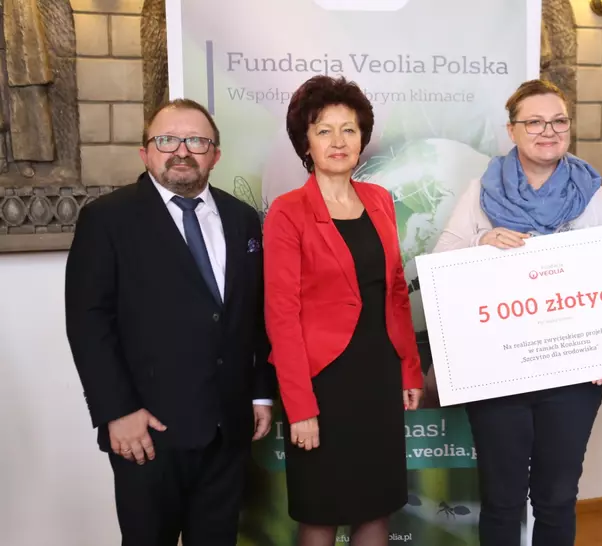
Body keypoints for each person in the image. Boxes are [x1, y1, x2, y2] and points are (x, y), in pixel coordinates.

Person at [64, 98, 275, 546]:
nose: (182, 150)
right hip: (147, 429)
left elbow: (254, 313)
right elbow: (88, 322)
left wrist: (260, 392)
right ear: (145, 153)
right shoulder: (107, 219)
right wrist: (117, 411)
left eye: (196, 141)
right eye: (167, 140)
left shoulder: (242, 218)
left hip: (227, 427)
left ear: (215, 154)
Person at [432, 79, 602, 546]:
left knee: (557, 498)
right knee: (502, 498)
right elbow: (440, 264)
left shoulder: (590, 193)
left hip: (571, 372)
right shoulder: (482, 190)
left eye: (558, 121)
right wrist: (482, 240)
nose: (548, 131)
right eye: (534, 122)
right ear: (512, 130)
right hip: (499, 371)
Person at [263, 74, 423, 546]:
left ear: (362, 138)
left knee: (376, 507)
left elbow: (395, 292)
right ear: (306, 143)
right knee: (321, 511)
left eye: (348, 129)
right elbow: (281, 316)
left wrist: (410, 370)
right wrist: (300, 407)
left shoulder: (380, 200)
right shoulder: (287, 211)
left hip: (378, 378)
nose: (338, 141)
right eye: (324, 130)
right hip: (322, 385)